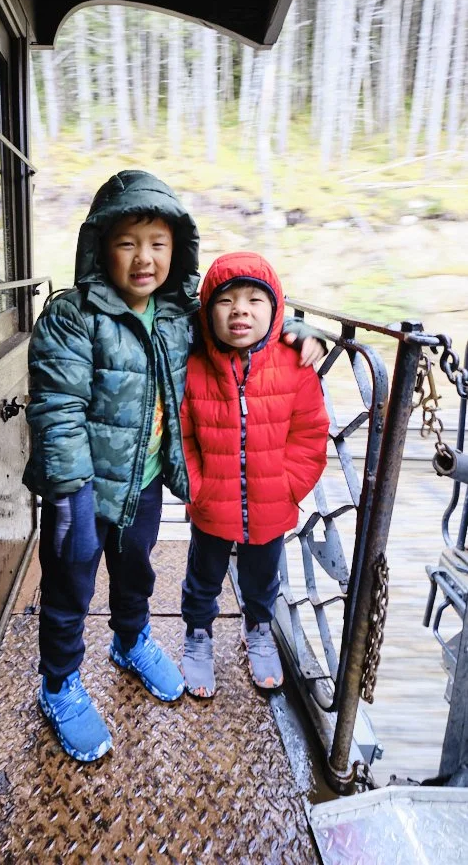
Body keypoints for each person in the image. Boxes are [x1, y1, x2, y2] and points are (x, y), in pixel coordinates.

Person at [24, 171, 325, 762]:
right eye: (128, 243)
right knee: (70, 585)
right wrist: (67, 493)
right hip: (81, 488)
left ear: (175, 251)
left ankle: (131, 639)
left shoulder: (177, 313)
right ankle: (58, 685)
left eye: (158, 245)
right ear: (100, 246)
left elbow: (235, 321)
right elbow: (57, 408)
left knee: (136, 569)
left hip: (145, 480)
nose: (144, 259)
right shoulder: (73, 315)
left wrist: (293, 329)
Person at [180, 251, 330, 698]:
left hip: (271, 502)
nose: (240, 310)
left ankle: (258, 627)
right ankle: (198, 634)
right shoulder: (194, 366)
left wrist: (288, 487)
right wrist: (197, 486)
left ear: (276, 310)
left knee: (263, 576)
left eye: (254, 300)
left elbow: (310, 434)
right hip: (212, 502)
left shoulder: (293, 366)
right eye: (226, 300)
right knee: (203, 573)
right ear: (208, 311)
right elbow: (183, 435)